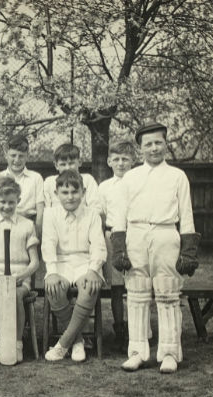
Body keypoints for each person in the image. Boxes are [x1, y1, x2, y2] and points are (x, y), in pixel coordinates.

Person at [110, 121, 200, 374]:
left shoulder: (177, 176)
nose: (153, 148)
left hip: (165, 234)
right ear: (140, 149)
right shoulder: (130, 177)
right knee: (137, 296)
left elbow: (187, 215)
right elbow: (119, 216)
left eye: (158, 142)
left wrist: (188, 250)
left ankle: (170, 353)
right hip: (136, 235)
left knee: (168, 295)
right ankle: (137, 352)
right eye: (148, 144)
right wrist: (119, 248)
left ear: (166, 144)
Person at [42, 170, 107, 362]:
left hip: (85, 262)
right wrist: (52, 272)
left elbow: (98, 246)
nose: (70, 197)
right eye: (65, 192)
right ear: (56, 194)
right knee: (54, 289)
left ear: (83, 192)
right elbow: (48, 244)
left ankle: (62, 345)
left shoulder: (92, 214)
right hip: (61, 262)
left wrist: (94, 270)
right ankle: (77, 341)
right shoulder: (50, 214)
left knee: (89, 287)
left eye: (74, 192)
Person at [0, 177, 40, 363]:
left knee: (15, 294)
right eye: (2, 202)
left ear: (18, 201)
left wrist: (20, 276)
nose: (6, 206)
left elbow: (35, 262)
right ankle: (3, 344)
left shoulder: (27, 225)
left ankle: (17, 344)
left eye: (11, 202)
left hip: (20, 276)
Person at [98, 138, 135, 348]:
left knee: (136, 283)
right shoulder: (104, 187)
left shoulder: (138, 183)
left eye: (125, 159)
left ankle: (137, 328)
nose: (121, 163)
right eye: (117, 159)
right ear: (109, 161)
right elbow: (101, 215)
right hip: (112, 236)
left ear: (133, 161)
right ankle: (119, 327)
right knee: (117, 286)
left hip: (134, 235)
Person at [0, 133, 44, 236]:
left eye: (21, 156)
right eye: (13, 155)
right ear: (6, 155)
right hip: (5, 223)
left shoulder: (36, 178)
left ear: (27, 156)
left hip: (29, 223)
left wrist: (37, 231)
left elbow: (40, 208)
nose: (17, 160)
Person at [43, 143, 101, 214]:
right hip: (58, 221)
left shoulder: (87, 180)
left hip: (83, 220)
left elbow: (95, 208)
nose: (67, 168)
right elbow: (46, 209)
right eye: (63, 164)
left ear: (79, 162)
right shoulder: (49, 182)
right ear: (56, 165)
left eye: (71, 163)